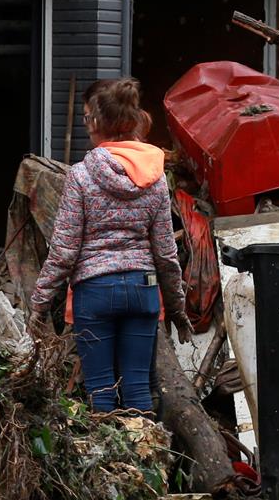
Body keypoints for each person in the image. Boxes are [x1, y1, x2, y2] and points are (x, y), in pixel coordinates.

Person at [30, 78, 187, 414]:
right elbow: (165, 252)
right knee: (138, 389)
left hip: (95, 292)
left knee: (101, 391)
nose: (86, 127)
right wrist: (177, 307)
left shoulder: (81, 175)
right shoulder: (155, 177)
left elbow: (65, 249)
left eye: (87, 119)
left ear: (100, 122)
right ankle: (148, 462)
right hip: (142, 289)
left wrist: (39, 303)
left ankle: (113, 467)